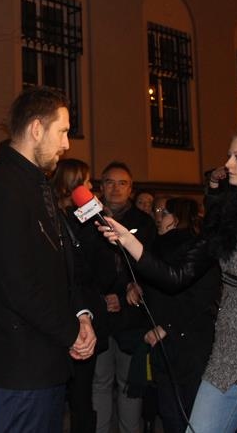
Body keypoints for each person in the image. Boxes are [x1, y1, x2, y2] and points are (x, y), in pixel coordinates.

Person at [98, 126, 237, 433]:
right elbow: (177, 277)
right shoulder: (224, 219)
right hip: (226, 360)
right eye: (229, 156)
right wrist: (129, 242)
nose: (227, 164)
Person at [0, 87, 96, 433]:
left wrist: (81, 315)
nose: (67, 143)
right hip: (20, 369)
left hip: (48, 362)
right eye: (62, 131)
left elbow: (61, 267)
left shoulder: (38, 185)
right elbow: (17, 284)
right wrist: (71, 333)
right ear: (37, 129)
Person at [139, 197, 220, 433]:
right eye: (157, 211)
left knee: (182, 413)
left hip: (185, 342)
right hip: (175, 343)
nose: (157, 217)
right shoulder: (163, 246)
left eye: (163, 212)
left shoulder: (188, 249)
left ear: (177, 218)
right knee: (177, 412)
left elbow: (199, 296)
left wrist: (166, 326)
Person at [92, 161, 156, 433]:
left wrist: (130, 289)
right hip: (98, 315)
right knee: (100, 382)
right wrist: (99, 298)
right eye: (110, 182)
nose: (116, 189)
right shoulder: (89, 220)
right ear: (101, 186)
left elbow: (151, 266)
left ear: (131, 188)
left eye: (122, 183)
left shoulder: (144, 223)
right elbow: (82, 267)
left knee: (130, 384)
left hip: (132, 318)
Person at [52, 158, 114, 433]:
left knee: (74, 395)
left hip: (72, 312)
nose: (92, 187)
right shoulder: (70, 221)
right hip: (74, 313)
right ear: (73, 185)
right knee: (76, 394)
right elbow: (93, 270)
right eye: (87, 182)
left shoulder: (71, 218)